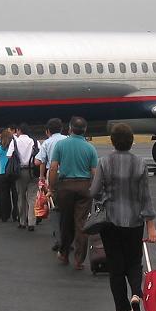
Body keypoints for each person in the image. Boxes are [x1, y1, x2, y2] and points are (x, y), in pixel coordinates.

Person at [90, 123, 156, 311]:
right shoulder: (140, 163)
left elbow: (94, 191)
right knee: (134, 262)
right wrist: (151, 225)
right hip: (134, 220)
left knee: (116, 266)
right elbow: (146, 196)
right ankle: (136, 294)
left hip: (110, 220)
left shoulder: (104, 162)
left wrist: (103, 198)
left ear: (112, 141)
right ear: (131, 141)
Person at [48, 116, 98, 270]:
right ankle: (79, 259)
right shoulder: (90, 148)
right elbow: (94, 172)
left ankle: (64, 253)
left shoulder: (61, 145)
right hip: (84, 187)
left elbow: (54, 167)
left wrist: (51, 187)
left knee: (65, 221)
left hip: (66, 186)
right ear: (85, 131)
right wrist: (93, 189)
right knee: (81, 223)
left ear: (69, 129)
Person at [14, 122, 37, 231]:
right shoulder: (35, 141)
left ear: (18, 130)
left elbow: (9, 155)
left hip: (20, 172)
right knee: (32, 197)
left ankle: (22, 221)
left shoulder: (15, 142)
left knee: (21, 196)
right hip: (33, 171)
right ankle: (32, 221)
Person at [0, 130, 15, 222]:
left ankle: (5, 215)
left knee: (4, 195)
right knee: (15, 194)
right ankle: (15, 214)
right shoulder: (13, 148)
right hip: (12, 172)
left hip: (2, 173)